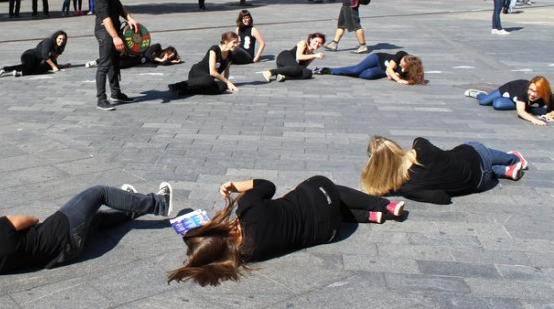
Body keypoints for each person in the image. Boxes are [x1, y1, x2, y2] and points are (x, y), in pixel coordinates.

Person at [167, 176, 404, 286]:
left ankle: (370, 216)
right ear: (215, 228)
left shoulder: (247, 254)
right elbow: (266, 185)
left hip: (330, 232)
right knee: (323, 189)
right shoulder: (249, 207)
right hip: (322, 195)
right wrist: (235, 186)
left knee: (323, 212)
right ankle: (384, 206)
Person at [0, 182, 173, 275]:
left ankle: (130, 205)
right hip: (63, 229)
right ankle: (159, 203)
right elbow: (32, 219)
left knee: (96, 220)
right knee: (98, 193)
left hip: (63, 254)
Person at [360, 136, 527, 205]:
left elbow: (443, 198)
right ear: (395, 147)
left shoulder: (407, 188)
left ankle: (503, 171)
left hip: (478, 184)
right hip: (475, 157)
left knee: (477, 165)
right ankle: (514, 159)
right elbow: (446, 159)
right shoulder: (420, 145)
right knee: (473, 146)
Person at [93, 0, 139, 111]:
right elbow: (104, 16)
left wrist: (129, 18)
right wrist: (115, 37)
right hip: (104, 31)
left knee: (114, 63)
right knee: (105, 64)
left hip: (113, 29)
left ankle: (116, 93)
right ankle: (101, 99)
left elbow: (118, 6)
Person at [168, 32, 239, 97]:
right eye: (234, 42)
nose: (236, 45)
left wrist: (227, 84)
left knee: (222, 86)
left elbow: (227, 71)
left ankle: (189, 90)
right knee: (209, 80)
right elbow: (213, 72)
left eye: (237, 42)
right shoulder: (214, 49)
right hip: (197, 73)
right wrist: (228, 82)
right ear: (226, 42)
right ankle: (177, 86)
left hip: (208, 79)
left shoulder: (230, 55)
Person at [464, 77, 553, 126]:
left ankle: (520, 103)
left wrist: (550, 115)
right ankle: (479, 94)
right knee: (484, 101)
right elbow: (521, 112)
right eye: (531, 90)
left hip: (518, 100)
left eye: (537, 92)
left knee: (497, 104)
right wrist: (534, 120)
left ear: (543, 93)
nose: (532, 94)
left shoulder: (549, 96)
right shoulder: (523, 90)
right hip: (509, 90)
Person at [317, 50, 425, 85]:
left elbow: (415, 80)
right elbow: (389, 69)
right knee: (356, 69)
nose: (400, 64)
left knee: (367, 75)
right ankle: (330, 70)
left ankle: (348, 73)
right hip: (378, 59)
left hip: (381, 70)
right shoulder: (401, 54)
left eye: (402, 65)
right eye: (401, 62)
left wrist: (406, 81)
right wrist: (398, 79)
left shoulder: (408, 71)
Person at [0, 30, 71, 77]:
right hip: (29, 55)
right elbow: (45, 56)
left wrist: (64, 66)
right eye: (60, 39)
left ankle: (19, 73)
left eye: (64, 40)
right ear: (56, 38)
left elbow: (53, 63)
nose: (61, 41)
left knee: (44, 68)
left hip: (37, 61)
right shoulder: (49, 41)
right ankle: (4, 69)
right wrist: (54, 67)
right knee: (29, 66)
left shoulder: (59, 49)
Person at [87, 43, 181, 69]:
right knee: (119, 55)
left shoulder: (162, 59)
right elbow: (148, 55)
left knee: (121, 64)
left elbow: (164, 63)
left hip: (137, 60)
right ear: (166, 50)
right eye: (169, 55)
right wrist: (160, 60)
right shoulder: (157, 47)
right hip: (136, 53)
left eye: (171, 57)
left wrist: (171, 61)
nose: (168, 57)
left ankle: (106, 64)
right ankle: (97, 61)